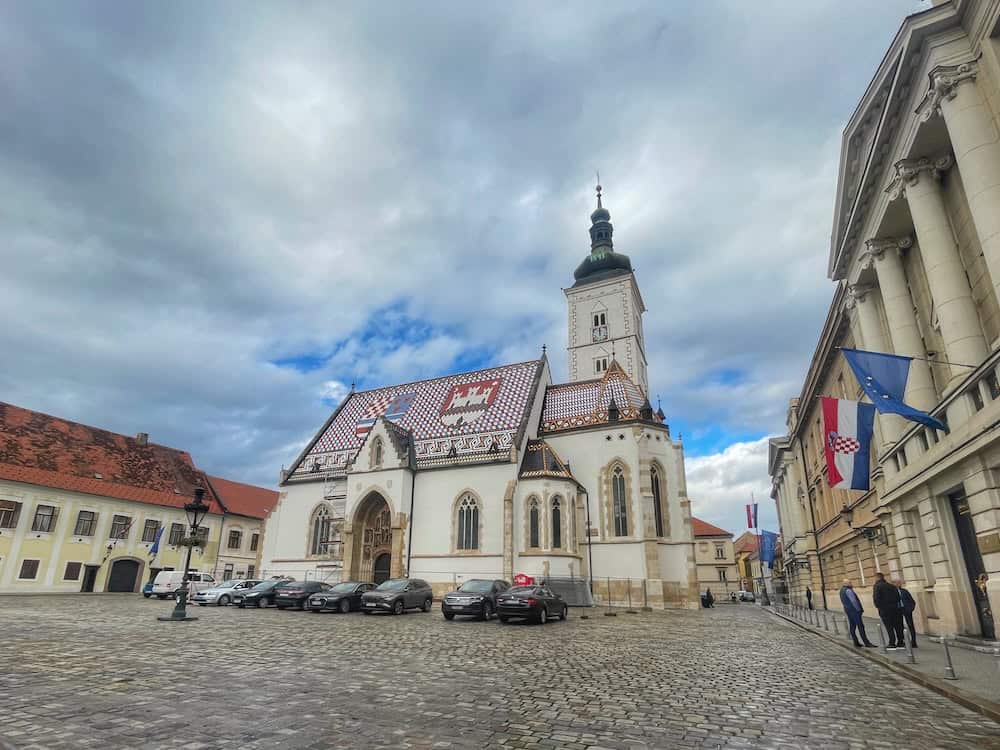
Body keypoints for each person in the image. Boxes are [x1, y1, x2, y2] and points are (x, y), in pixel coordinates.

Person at [872, 572, 904, 650]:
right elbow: (898, 597)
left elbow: (876, 598)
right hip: (895, 609)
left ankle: (892, 643)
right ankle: (900, 642)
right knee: (898, 626)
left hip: (885, 610)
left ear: (877, 578)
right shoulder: (891, 586)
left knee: (889, 626)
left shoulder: (877, 586)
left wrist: (879, 607)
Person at [838, 579, 875, 648]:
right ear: (846, 583)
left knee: (852, 626)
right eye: (850, 582)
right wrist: (859, 609)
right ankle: (866, 642)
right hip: (854, 611)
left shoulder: (841, 591)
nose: (851, 583)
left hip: (848, 610)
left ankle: (856, 642)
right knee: (860, 626)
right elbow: (854, 601)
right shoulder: (848, 590)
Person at [895, 576, 917, 648]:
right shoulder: (893, 592)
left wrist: (910, 609)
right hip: (898, 611)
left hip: (906, 610)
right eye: (896, 583)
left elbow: (912, 601)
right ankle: (902, 641)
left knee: (910, 625)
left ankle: (913, 641)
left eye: (899, 583)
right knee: (900, 626)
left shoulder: (904, 591)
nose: (898, 584)